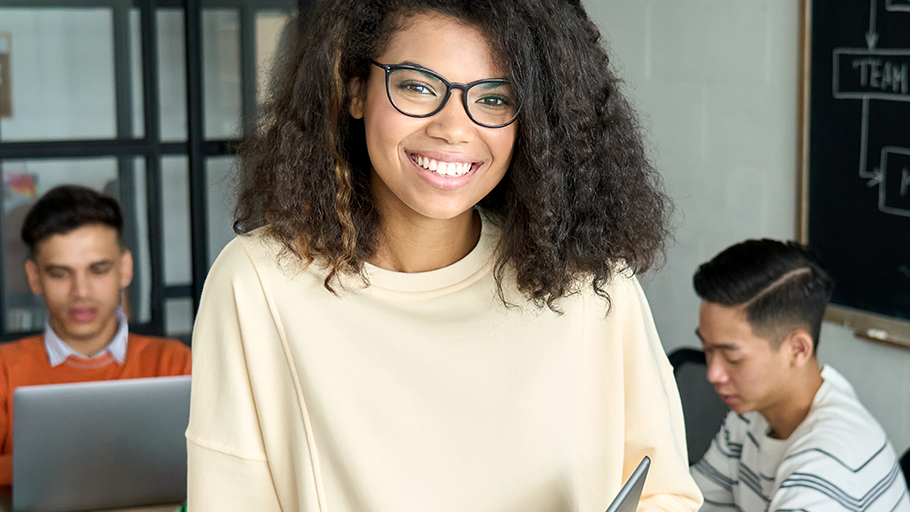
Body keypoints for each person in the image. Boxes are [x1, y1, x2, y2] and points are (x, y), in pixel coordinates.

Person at [186, 0, 698, 510]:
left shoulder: (588, 285)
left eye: (496, 99)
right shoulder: (258, 282)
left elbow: (664, 492)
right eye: (416, 86)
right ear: (356, 89)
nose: (454, 128)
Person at [0, 185, 193, 492]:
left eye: (98, 269)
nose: (80, 291)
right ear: (34, 277)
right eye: (60, 273)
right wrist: (50, 465)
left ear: (125, 269)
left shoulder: (175, 363)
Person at [688, 240, 910, 512]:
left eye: (733, 358)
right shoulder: (749, 416)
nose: (713, 374)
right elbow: (689, 503)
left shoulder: (827, 466)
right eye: (707, 350)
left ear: (798, 350)